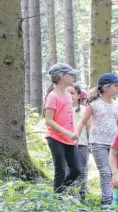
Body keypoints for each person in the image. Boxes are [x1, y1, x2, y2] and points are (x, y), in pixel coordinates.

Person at [75, 73, 118, 209]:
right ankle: (107, 201)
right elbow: (82, 122)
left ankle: (114, 198)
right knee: (105, 172)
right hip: (98, 142)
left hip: (114, 144)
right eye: (115, 86)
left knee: (114, 171)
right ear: (106, 87)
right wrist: (76, 137)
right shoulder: (94, 104)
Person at [44, 63, 81, 194]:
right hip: (55, 138)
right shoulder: (52, 96)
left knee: (76, 170)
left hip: (70, 139)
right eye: (71, 74)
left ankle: (60, 190)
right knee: (59, 170)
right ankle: (57, 198)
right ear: (61, 76)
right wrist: (66, 132)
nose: (73, 76)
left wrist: (73, 133)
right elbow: (48, 120)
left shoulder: (68, 95)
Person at [67, 84, 91, 202]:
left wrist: (90, 141)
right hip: (65, 144)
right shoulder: (62, 108)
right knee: (67, 169)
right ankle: (68, 194)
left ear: (78, 95)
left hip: (82, 144)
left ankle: (81, 196)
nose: (69, 96)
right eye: (67, 93)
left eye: (72, 93)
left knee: (82, 170)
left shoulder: (84, 110)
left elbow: (89, 126)